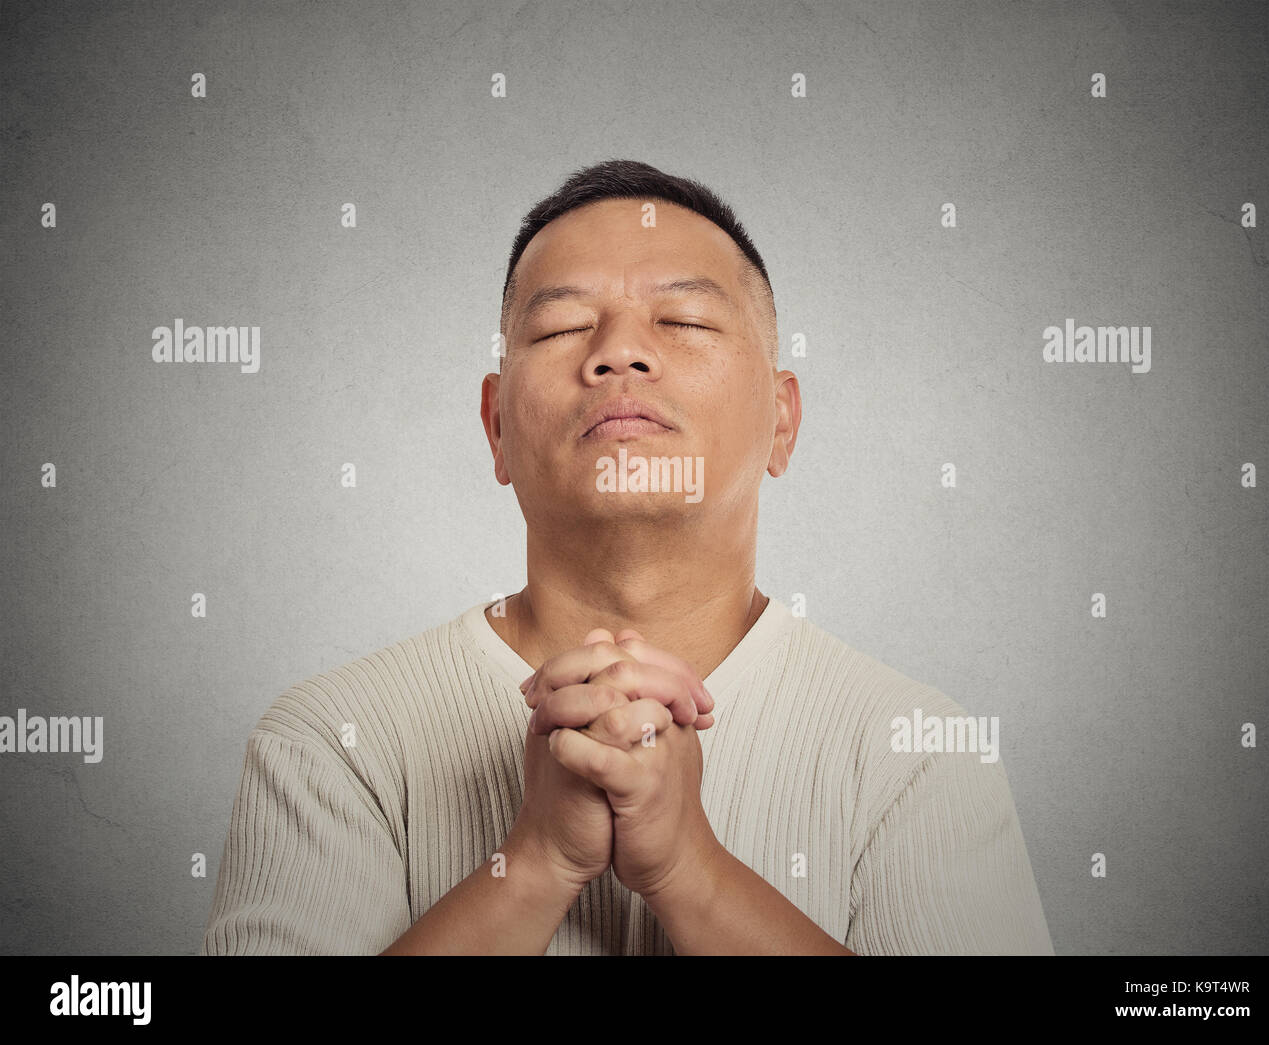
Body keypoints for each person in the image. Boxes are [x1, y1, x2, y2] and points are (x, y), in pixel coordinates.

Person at [201, 158, 1054, 955]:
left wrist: (694, 871)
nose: (619, 352)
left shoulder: (921, 755)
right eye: (565, 326)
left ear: (783, 420)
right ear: (496, 427)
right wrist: (533, 864)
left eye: (682, 321)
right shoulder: (331, 744)